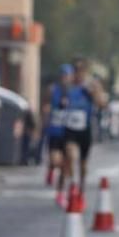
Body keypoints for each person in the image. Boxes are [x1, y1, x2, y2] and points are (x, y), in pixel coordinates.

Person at [62, 58, 107, 199]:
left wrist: (94, 93)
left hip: (85, 128)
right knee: (70, 155)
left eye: (82, 71)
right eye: (77, 71)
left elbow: (102, 104)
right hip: (69, 127)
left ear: (86, 72)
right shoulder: (68, 85)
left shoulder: (92, 86)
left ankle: (81, 186)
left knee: (83, 164)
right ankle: (72, 183)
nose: (79, 75)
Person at [42, 67, 73, 199]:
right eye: (63, 75)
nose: (65, 78)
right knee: (55, 161)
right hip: (54, 132)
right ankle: (51, 168)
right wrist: (44, 121)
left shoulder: (74, 92)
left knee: (65, 165)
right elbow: (45, 107)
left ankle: (60, 193)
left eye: (67, 75)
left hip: (68, 133)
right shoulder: (52, 90)